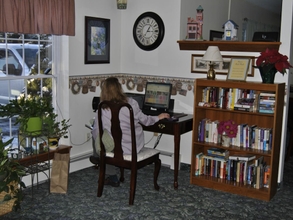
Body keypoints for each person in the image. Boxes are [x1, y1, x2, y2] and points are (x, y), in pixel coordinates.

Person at [90, 77, 170, 187]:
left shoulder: (101, 108)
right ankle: (104, 163)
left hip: (114, 148)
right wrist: (158, 117)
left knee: (97, 134)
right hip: (133, 147)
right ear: (119, 88)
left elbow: (96, 131)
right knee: (101, 136)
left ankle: (102, 162)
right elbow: (146, 121)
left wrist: (99, 149)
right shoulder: (131, 104)